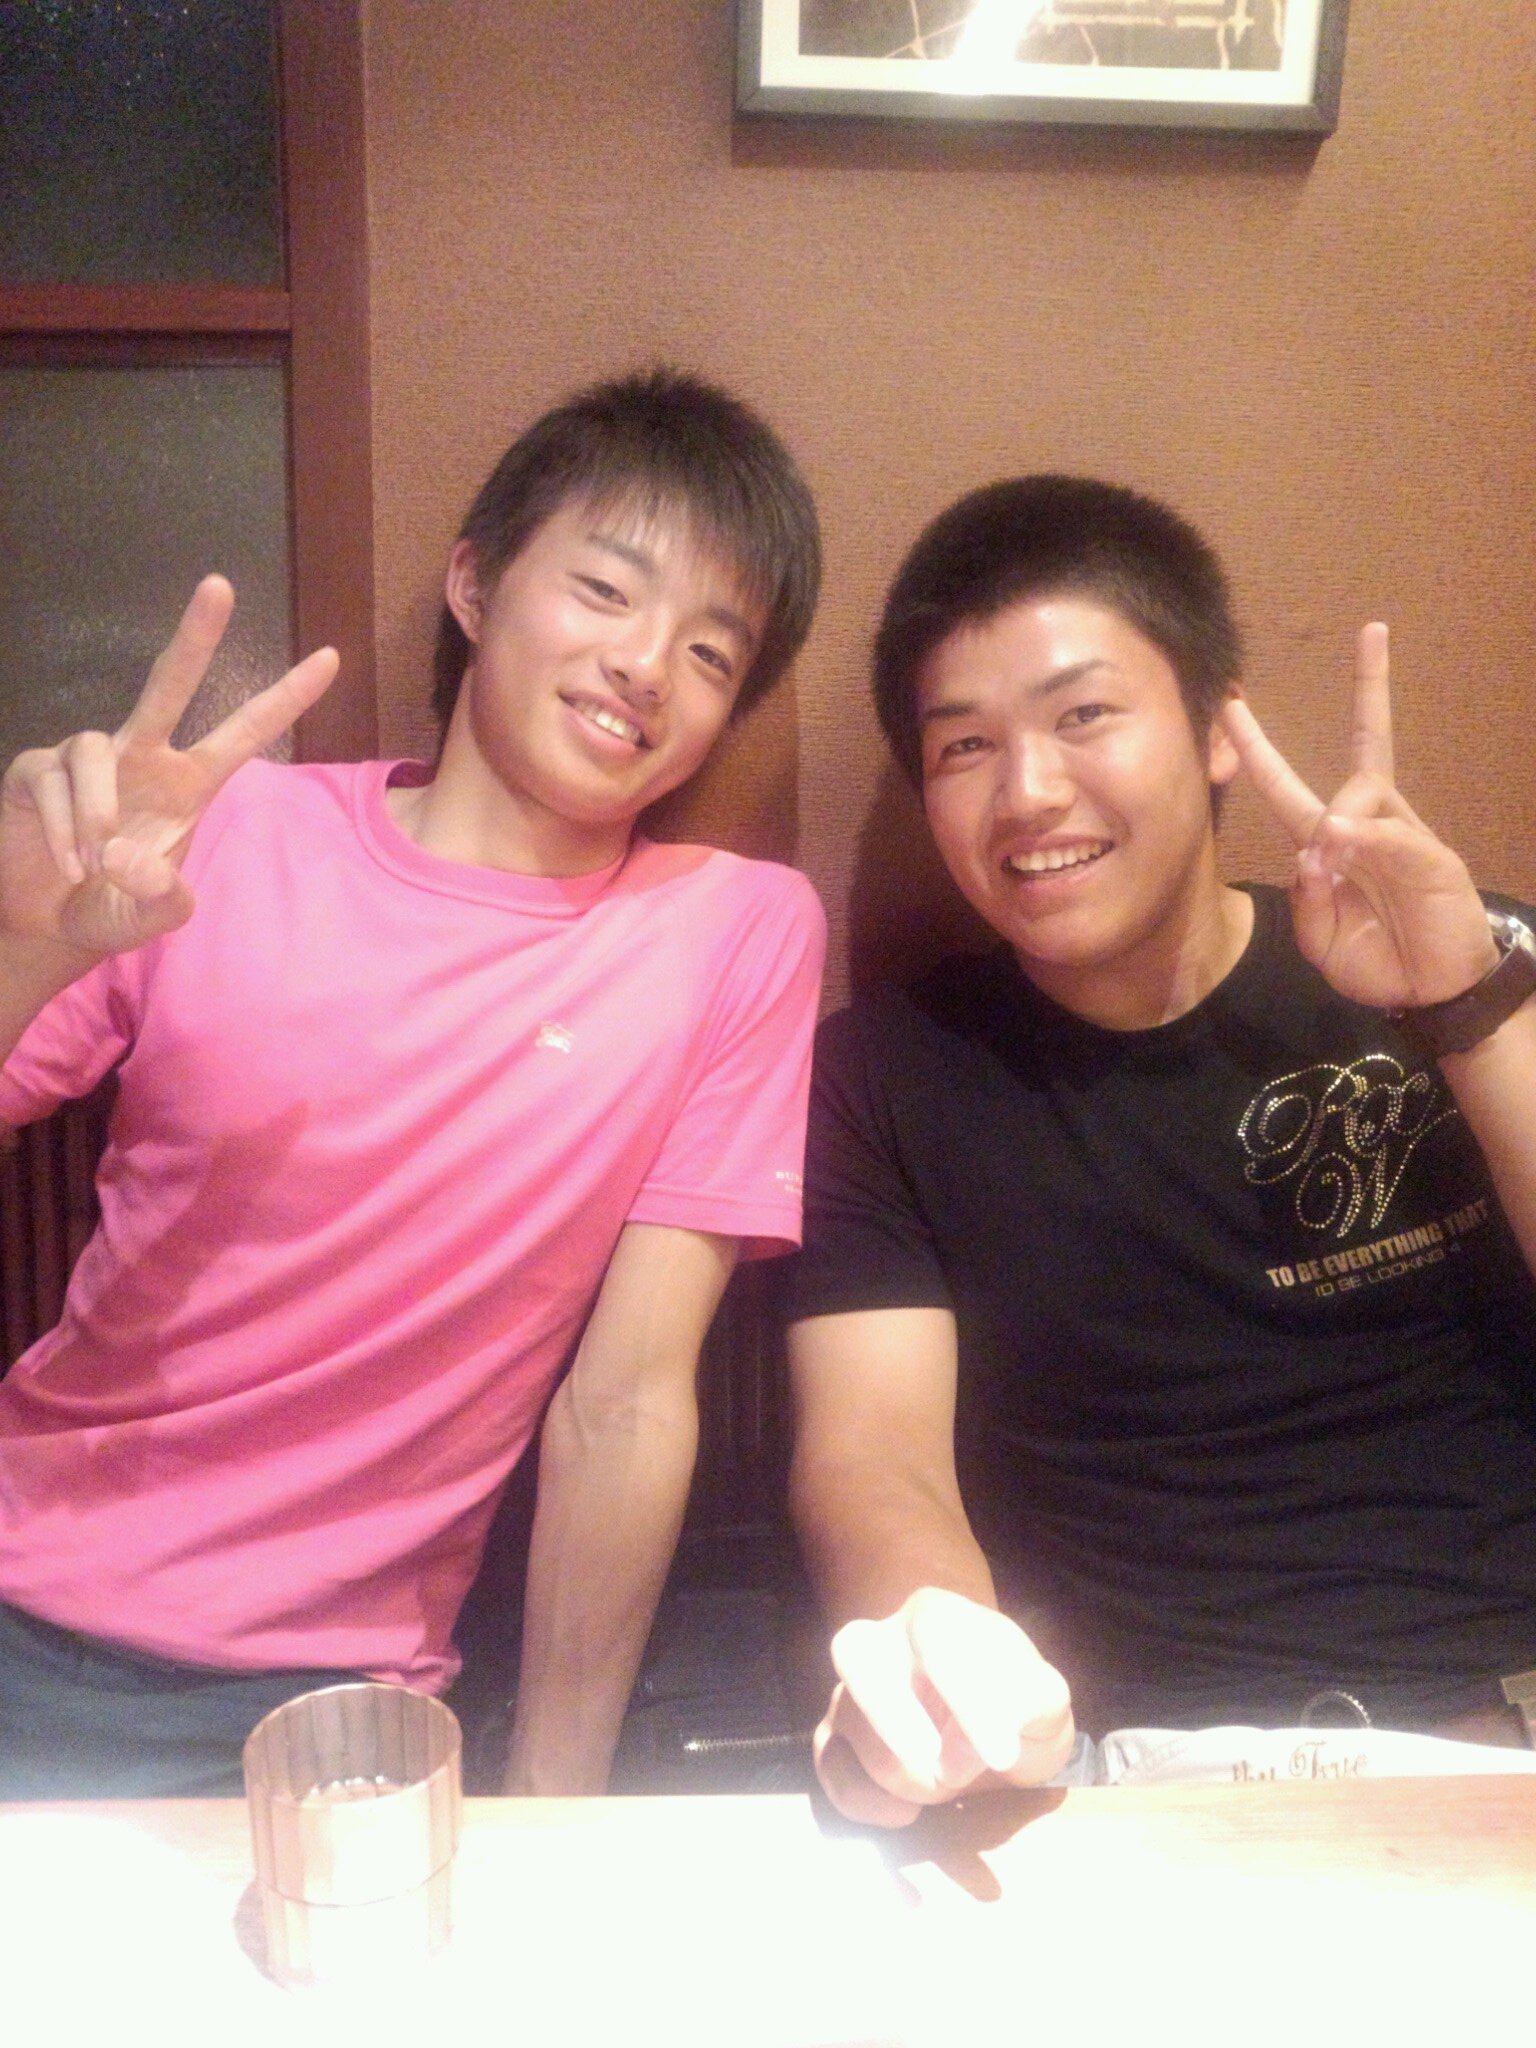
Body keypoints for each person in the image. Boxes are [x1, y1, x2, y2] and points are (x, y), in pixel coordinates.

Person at [0, 368, 826, 1798]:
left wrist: (554, 1811)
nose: (646, 664)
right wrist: (21, 945)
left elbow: (625, 1404)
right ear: (475, 584)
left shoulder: (730, 932)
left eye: (710, 652)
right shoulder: (226, 835)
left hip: (320, 1707)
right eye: (607, 590)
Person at [784, 475, 1536, 1826]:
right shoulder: (883, 1078)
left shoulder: (1462, 959)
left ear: (1215, 727)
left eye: (1083, 716)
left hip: (1508, 1720)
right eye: (965, 746)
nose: (1028, 792)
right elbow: (873, 1458)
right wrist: (943, 1675)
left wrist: (1470, 1010)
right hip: (1129, 1774)